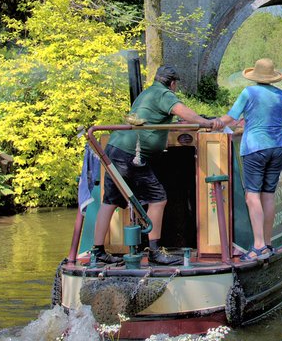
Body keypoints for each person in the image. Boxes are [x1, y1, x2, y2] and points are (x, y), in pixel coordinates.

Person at [90, 65, 218, 267]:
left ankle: (97, 251)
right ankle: (154, 251)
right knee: (158, 199)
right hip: (133, 154)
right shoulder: (164, 94)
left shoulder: (146, 93)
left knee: (110, 201)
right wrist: (209, 123)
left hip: (115, 149)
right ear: (173, 83)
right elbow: (187, 115)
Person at [216, 58, 282, 262]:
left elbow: (231, 118)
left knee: (252, 196)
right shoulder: (280, 94)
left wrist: (214, 123)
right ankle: (268, 242)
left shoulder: (249, 92)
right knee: (268, 195)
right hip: (279, 146)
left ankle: (257, 246)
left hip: (256, 147)